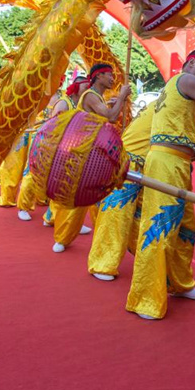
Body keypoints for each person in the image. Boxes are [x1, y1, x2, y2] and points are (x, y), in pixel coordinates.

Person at [126, 49, 195, 319]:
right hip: (165, 163)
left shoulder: (186, 90)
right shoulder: (186, 80)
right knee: (160, 227)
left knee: (185, 228)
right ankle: (145, 297)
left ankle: (179, 283)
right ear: (190, 63)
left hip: (177, 163)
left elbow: (181, 130)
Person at [51, 64, 130, 253]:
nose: (112, 79)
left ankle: (98, 239)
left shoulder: (96, 97)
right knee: (80, 198)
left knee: (97, 198)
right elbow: (110, 117)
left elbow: (104, 113)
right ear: (98, 76)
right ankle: (63, 237)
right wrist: (121, 97)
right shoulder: (91, 96)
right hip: (83, 155)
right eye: (109, 75)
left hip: (93, 154)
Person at [87, 102, 154, 281]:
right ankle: (102, 263)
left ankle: (149, 261)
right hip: (128, 163)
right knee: (116, 214)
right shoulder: (91, 96)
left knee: (139, 219)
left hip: (142, 164)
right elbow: (110, 116)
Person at [17, 77, 89, 221]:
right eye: (85, 87)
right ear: (76, 87)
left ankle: (52, 217)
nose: (87, 90)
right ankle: (23, 207)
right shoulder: (64, 103)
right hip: (45, 143)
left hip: (63, 146)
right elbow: (53, 126)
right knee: (33, 174)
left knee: (60, 180)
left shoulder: (78, 105)